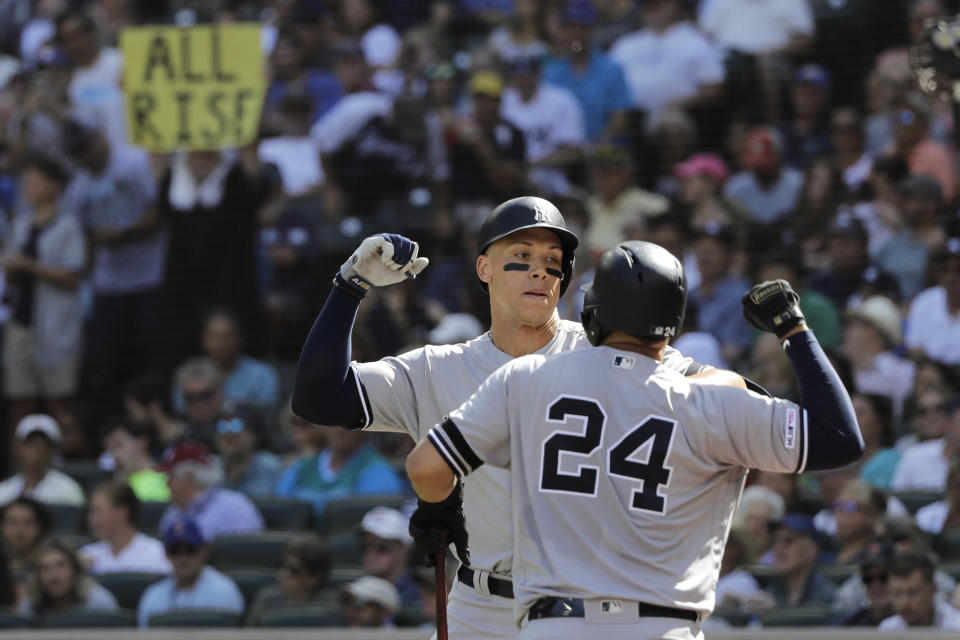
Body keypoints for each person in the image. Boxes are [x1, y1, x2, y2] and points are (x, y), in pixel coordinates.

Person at [291, 198, 742, 639]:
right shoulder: (434, 369)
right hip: (482, 605)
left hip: (588, 607)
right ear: (484, 268)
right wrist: (350, 286)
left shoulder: (608, 350)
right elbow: (318, 397)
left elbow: (732, 390)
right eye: (521, 256)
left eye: (553, 260)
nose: (540, 270)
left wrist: (683, 389)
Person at [405, 241, 863, 639]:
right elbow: (840, 438)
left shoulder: (525, 379)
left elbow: (427, 469)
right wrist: (792, 328)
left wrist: (439, 504)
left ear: (594, 312)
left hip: (553, 625)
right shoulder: (711, 399)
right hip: (662, 627)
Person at [0, 154, 86, 431]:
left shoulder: (69, 226)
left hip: (55, 329)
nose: (29, 186)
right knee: (20, 405)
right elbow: (12, 276)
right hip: (21, 325)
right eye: (27, 181)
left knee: (58, 404)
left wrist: (29, 265)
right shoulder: (21, 224)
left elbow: (72, 277)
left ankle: (66, 464)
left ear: (54, 185)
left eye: (36, 180)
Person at [136, 515, 244, 628]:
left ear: (204, 551)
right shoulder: (153, 596)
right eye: (175, 551)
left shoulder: (225, 592)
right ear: (167, 554)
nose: (183, 559)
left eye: (190, 550)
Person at [156, 441, 264, 541]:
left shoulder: (236, 508)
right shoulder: (172, 513)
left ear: (189, 477)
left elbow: (247, 555)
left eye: (170, 476)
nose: (167, 483)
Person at [80, 481, 171, 575]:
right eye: (92, 513)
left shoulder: (159, 555)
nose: (92, 521)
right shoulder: (86, 555)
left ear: (122, 512)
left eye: (98, 512)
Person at [246, 533, 332, 624]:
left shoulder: (330, 607)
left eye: (293, 570)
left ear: (314, 577)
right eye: (282, 565)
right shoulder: (266, 600)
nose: (283, 573)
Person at [0, 415, 85, 507]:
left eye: (43, 445)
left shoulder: (69, 490)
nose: (36, 452)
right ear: (17, 448)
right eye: (30, 444)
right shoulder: (4, 491)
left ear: (53, 450)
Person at [21, 537, 118, 616]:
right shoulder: (30, 606)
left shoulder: (98, 603)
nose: (54, 576)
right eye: (45, 569)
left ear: (75, 570)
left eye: (60, 565)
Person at [761, 514, 837, 608]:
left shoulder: (828, 596)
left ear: (811, 550)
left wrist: (776, 608)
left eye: (788, 541)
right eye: (775, 541)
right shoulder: (770, 591)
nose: (778, 548)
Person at [213, 406, 282, 498]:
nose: (228, 433)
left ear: (256, 434)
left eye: (236, 426)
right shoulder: (211, 467)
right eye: (222, 426)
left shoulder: (269, 465)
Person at [880, 551, 960, 630]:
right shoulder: (887, 629)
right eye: (897, 593)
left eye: (913, 593)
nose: (904, 602)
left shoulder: (956, 627)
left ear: (932, 590)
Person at [360, 506, 419, 607]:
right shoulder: (356, 590)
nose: (370, 552)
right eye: (365, 545)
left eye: (382, 546)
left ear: (404, 550)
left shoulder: (420, 595)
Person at [101, 418, 169, 502]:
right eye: (110, 449)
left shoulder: (167, 482)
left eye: (118, 445)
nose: (114, 455)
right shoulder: (112, 486)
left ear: (141, 442)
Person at [834, 541, 895, 626]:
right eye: (868, 579)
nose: (876, 585)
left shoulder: (911, 621)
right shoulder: (850, 625)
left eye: (883, 577)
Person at [0, 497, 50, 576]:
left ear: (41, 527)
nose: (20, 530)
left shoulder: (52, 563)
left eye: (28, 523)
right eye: (12, 523)